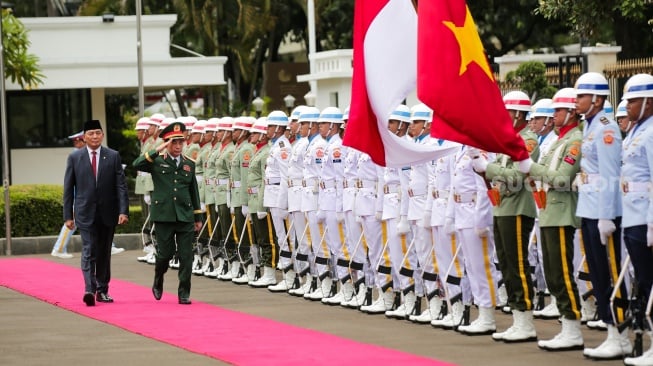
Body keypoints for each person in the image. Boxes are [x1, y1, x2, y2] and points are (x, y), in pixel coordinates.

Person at [470, 90, 540, 342]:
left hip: (518, 209)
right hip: (502, 208)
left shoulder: (527, 140)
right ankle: (517, 319)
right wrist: (480, 166)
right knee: (507, 266)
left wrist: (488, 167)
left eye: (507, 112)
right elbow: (497, 177)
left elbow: (516, 177)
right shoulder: (507, 139)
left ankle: (526, 321)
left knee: (518, 266)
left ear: (519, 114)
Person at [519, 87, 585, 351]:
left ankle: (573, 326)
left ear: (570, 113)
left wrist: (531, 167)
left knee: (561, 272)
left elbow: (561, 178)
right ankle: (567, 323)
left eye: (559, 110)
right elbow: (546, 173)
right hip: (547, 211)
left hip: (561, 211)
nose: (554, 115)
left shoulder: (574, 140)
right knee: (552, 272)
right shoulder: (558, 141)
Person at [574, 72, 631, 359]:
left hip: (602, 213)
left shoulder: (606, 127)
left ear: (596, 99)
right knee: (598, 274)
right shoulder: (591, 124)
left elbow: (610, 174)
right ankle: (611, 331)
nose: (576, 100)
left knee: (610, 273)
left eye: (581, 96)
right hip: (590, 208)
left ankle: (620, 334)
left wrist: (607, 216)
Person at [133, 121, 203, 305]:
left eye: (181, 142)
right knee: (164, 254)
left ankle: (184, 292)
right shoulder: (156, 161)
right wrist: (158, 148)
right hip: (164, 215)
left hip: (185, 216)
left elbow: (193, 191)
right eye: (174, 142)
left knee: (187, 256)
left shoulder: (189, 164)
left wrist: (198, 217)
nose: (178, 146)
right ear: (166, 143)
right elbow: (137, 164)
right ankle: (159, 277)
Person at [63, 119, 129, 307]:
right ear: (84, 137)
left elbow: (120, 186)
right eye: (90, 133)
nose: (94, 136)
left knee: (103, 253)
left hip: (108, 213)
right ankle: (89, 289)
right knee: (88, 250)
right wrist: (68, 215)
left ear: (102, 135)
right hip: (84, 213)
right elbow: (68, 188)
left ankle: (102, 290)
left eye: (97, 133)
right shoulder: (75, 158)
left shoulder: (113, 155)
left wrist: (123, 211)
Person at [620, 74, 653, 366]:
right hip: (633, 215)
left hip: (646, 216)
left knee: (651, 281)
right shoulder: (636, 130)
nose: (627, 106)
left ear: (648, 102)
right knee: (643, 281)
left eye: (632, 101)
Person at [52, 131, 86, 259]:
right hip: (77, 196)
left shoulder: (81, 154)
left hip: (80, 196)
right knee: (71, 224)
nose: (77, 143)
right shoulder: (76, 155)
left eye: (78, 141)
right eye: (76, 141)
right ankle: (59, 248)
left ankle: (109, 246)